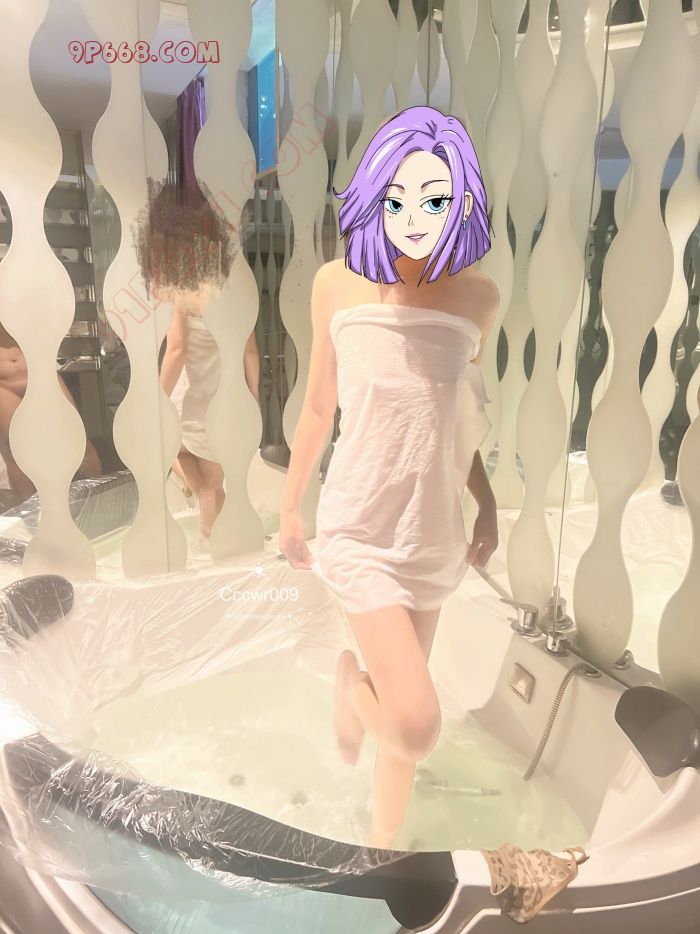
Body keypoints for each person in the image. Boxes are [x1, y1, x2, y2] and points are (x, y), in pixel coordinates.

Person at [279, 106, 500, 849]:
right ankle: (349, 684)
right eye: (399, 197)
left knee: (404, 723)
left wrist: (487, 504)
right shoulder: (338, 285)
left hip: (433, 532)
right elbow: (318, 408)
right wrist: (290, 508)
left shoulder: (478, 298)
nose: (414, 217)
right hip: (361, 528)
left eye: (435, 200)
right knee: (415, 723)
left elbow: (456, 422)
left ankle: (382, 847)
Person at [159, 286, 261, 539]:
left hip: (184, 401)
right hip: (219, 407)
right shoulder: (237, 295)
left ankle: (199, 496)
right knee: (214, 488)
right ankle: (224, 547)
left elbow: (176, 350)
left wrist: (157, 398)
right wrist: (254, 395)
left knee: (170, 451)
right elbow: (250, 352)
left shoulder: (182, 293)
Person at [0, 322, 102, 502]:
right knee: (15, 451)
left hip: (41, 373)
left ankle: (98, 498)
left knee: (79, 439)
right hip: (4, 384)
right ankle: (29, 513)